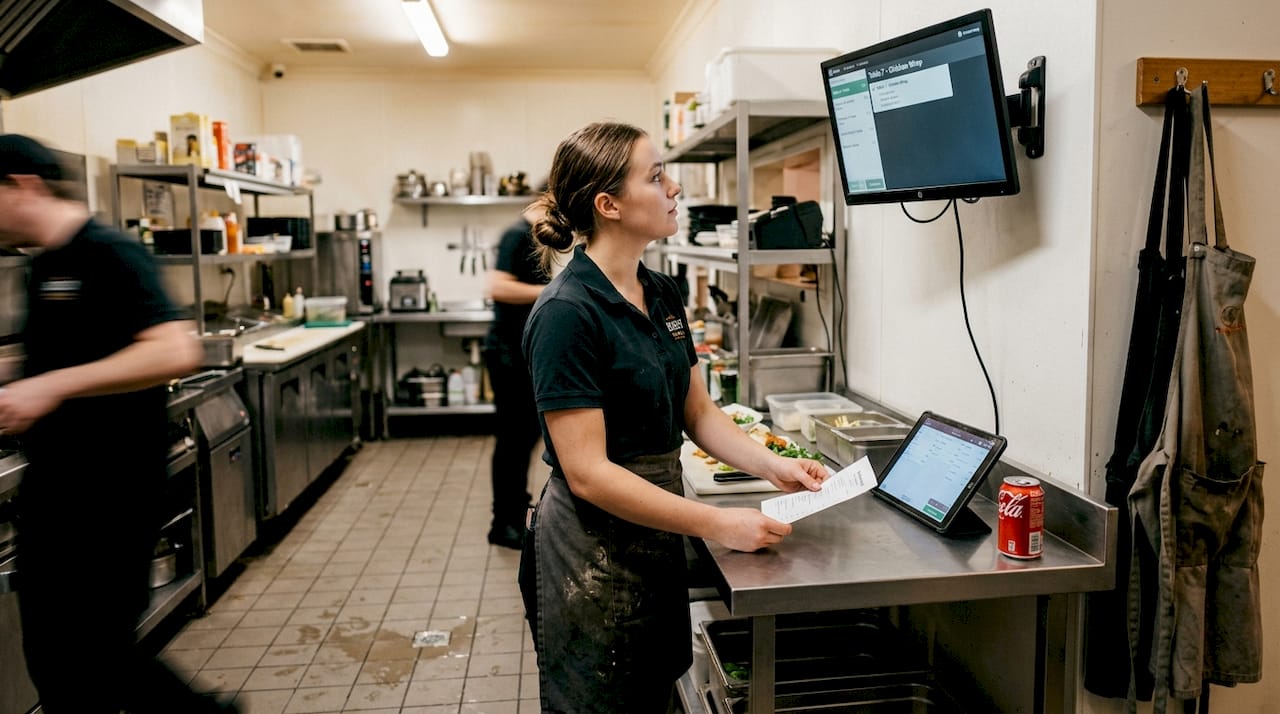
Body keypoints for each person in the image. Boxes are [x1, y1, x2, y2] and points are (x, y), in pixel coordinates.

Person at [520, 121, 828, 712]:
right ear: (609, 205)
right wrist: (718, 524)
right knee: (601, 697)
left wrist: (773, 467)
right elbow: (587, 472)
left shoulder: (660, 291)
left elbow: (699, 411)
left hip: (655, 527)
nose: (674, 189)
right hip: (594, 549)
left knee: (656, 685)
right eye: (656, 176)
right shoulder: (566, 313)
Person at [0, 134, 235, 713]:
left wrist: (49, 385)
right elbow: (62, 352)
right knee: (69, 655)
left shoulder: (108, 252)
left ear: (22, 187)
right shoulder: (44, 264)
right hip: (58, 485)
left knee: (84, 654)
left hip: (110, 489)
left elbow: (176, 351)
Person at [483, 185, 551, 549]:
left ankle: (516, 508)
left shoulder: (532, 237)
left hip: (520, 354)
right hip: (507, 355)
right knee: (512, 440)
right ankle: (502, 523)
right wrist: (553, 291)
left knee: (523, 438)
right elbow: (497, 286)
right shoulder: (516, 234)